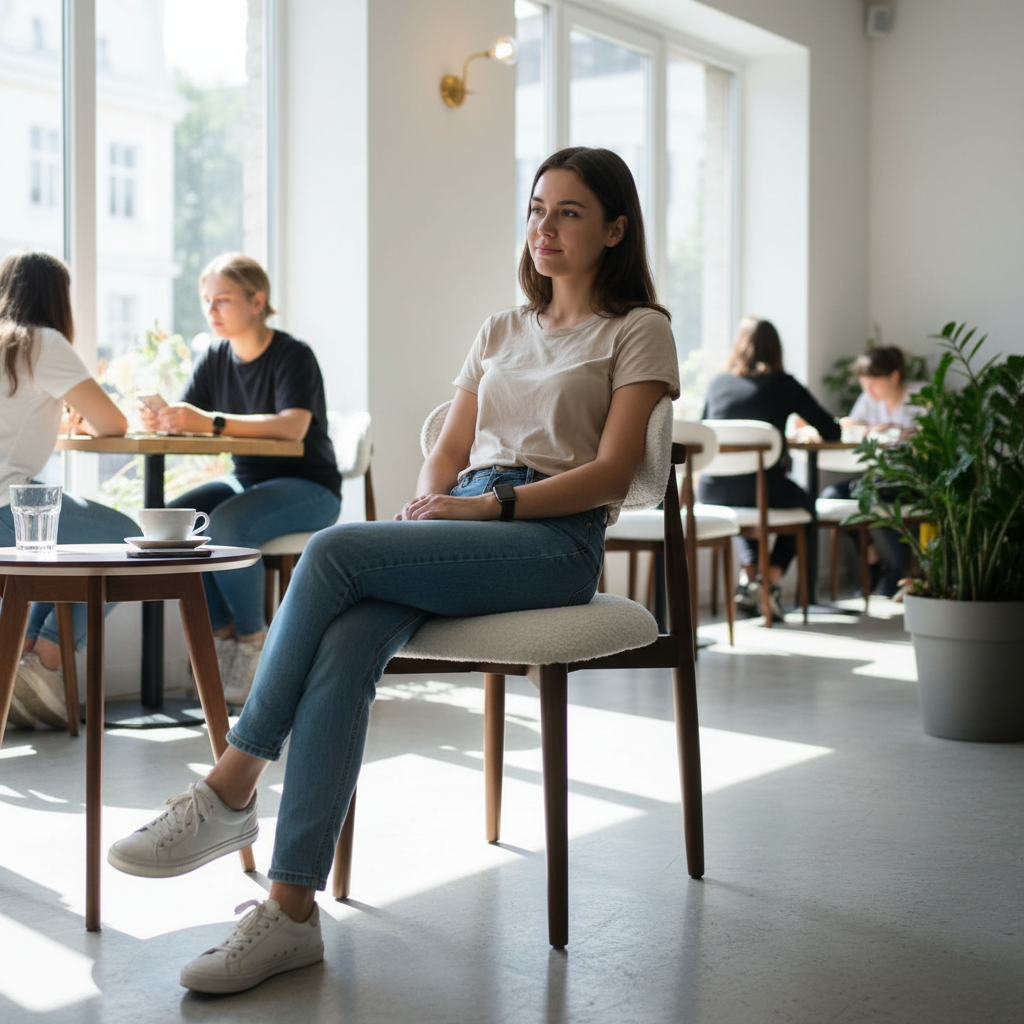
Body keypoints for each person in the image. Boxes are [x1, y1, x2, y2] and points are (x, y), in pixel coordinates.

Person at [107, 146, 680, 995]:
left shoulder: (638, 330)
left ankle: (232, 784)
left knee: (335, 548)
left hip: (552, 540)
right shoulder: (500, 328)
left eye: (567, 212)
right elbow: (447, 449)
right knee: (346, 641)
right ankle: (292, 911)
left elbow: (613, 471)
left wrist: (487, 511)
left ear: (615, 229)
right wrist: (429, 508)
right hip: (471, 517)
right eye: (535, 209)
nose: (544, 228)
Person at [139, 254, 342, 705]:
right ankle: (223, 634)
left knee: (228, 524)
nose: (211, 311)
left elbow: (292, 427)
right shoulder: (215, 357)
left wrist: (208, 422)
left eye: (223, 300)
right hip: (251, 486)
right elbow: (189, 419)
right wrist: (167, 417)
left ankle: (253, 643)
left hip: (310, 487)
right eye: (207, 301)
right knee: (175, 522)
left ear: (257, 301)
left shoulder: (292, 355)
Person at [0, 249, 136, 730]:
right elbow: (113, 422)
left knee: (66, 540)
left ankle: (31, 662)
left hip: (12, 499)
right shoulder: (41, 342)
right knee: (130, 540)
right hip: (6, 508)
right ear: (56, 298)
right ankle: (49, 659)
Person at [699, 316, 840, 620]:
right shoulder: (784, 384)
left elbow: (703, 434)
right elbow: (832, 430)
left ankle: (750, 579)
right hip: (762, 488)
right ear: (776, 349)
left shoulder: (716, 384)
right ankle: (770, 581)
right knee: (805, 506)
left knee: (744, 501)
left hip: (712, 491)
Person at [824, 346, 923, 596]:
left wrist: (896, 430)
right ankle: (871, 557)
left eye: (874, 384)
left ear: (894, 377)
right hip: (876, 476)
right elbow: (856, 426)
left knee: (877, 494)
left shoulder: (920, 397)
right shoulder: (869, 399)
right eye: (864, 385)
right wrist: (862, 429)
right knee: (831, 496)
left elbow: (930, 439)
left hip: (912, 479)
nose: (869, 391)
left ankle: (901, 570)